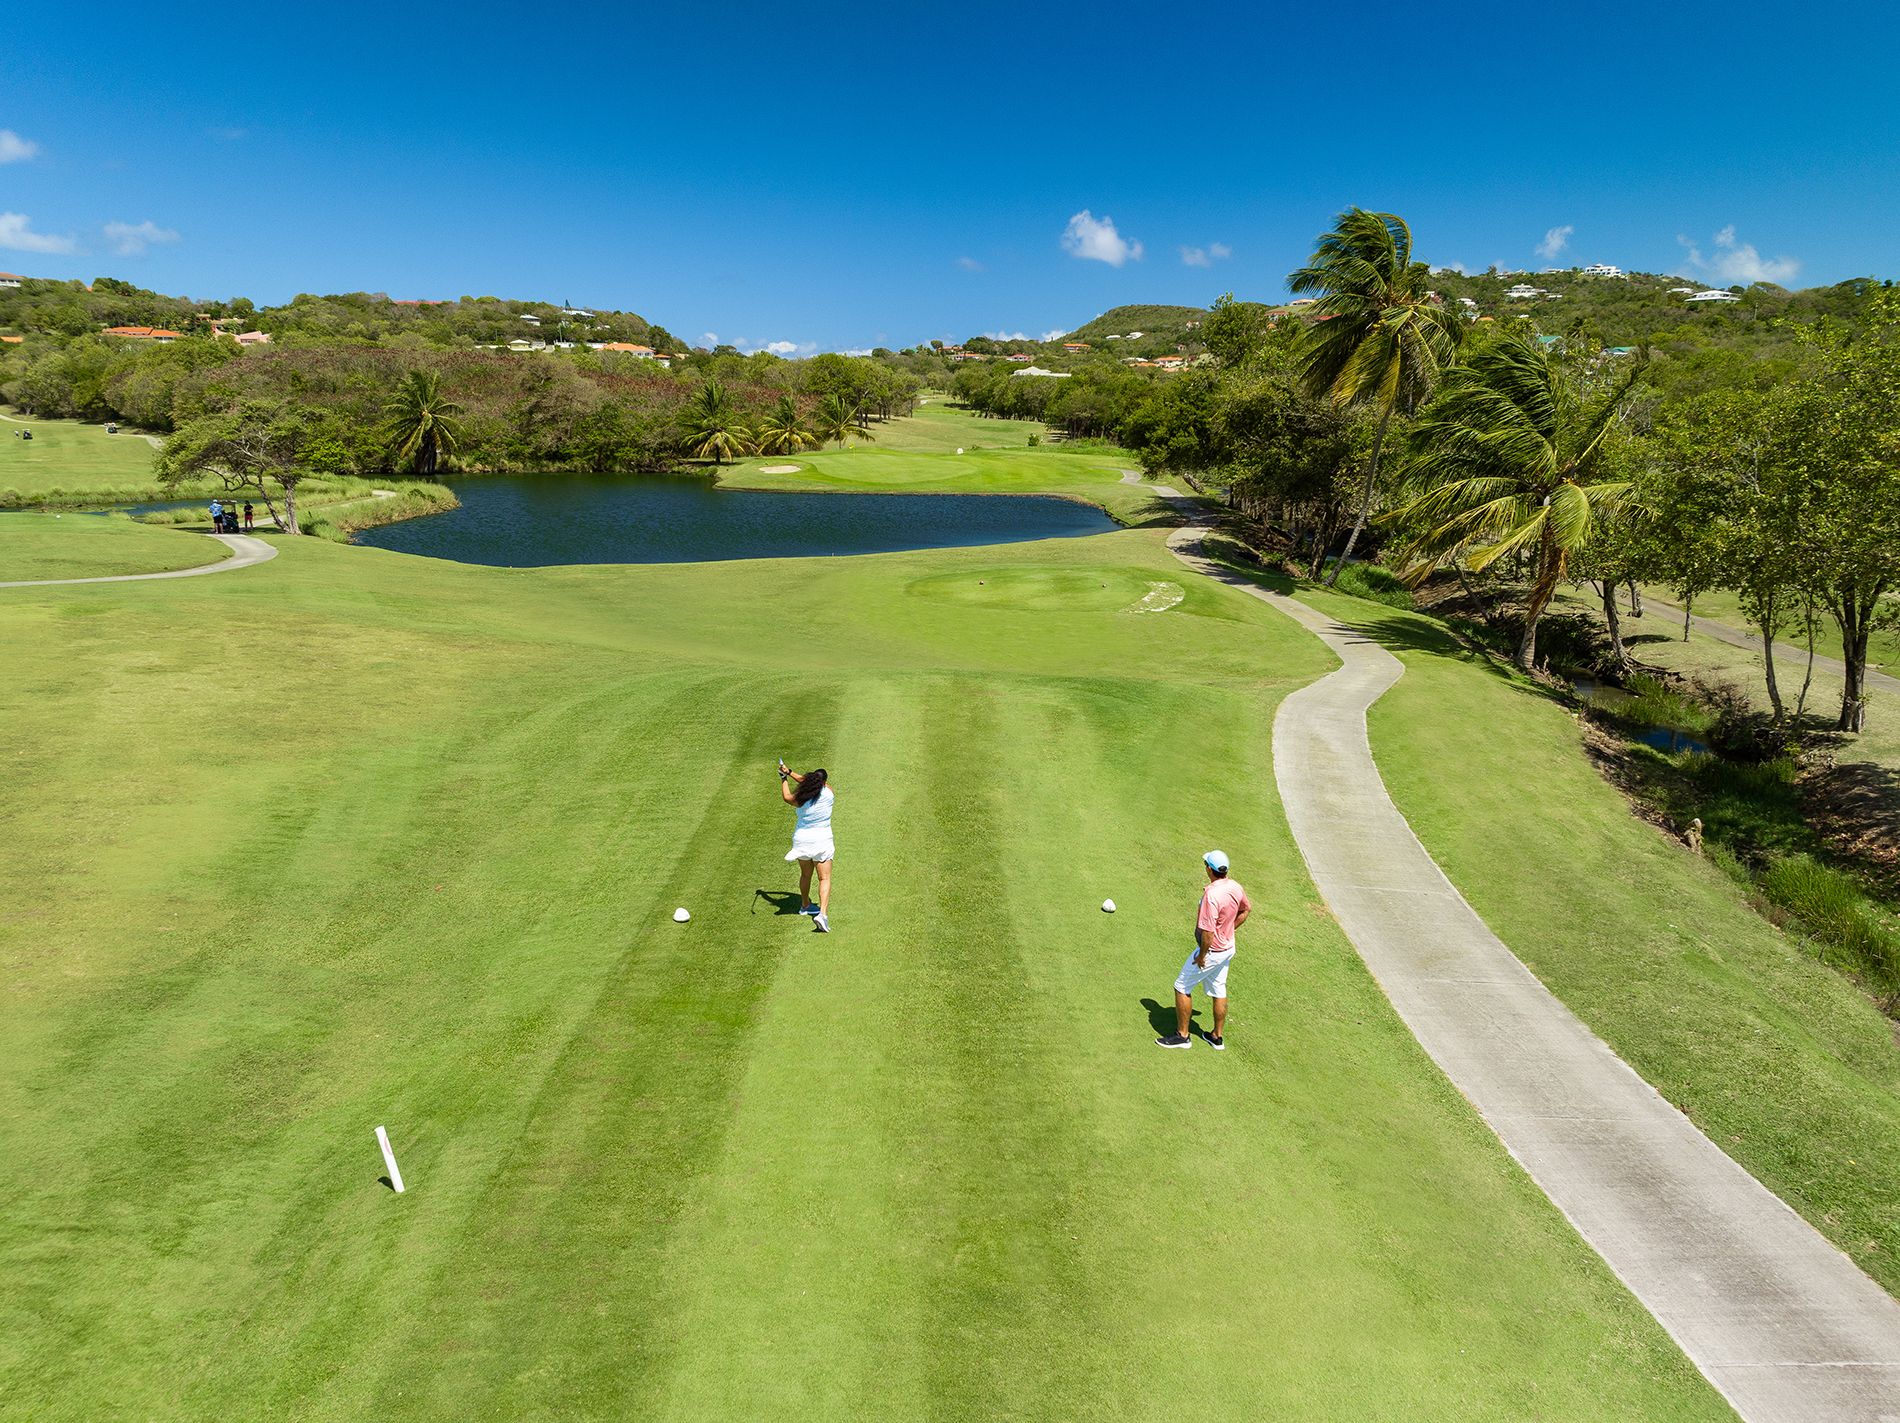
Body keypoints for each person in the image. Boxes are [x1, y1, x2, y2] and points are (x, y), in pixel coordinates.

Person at [1157, 850, 1251, 1051]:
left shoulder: (1211, 896)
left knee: (1181, 986)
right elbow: (1245, 910)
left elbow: (1207, 932)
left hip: (1212, 952)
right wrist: (1227, 930)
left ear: (1209, 869)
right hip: (1227, 949)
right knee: (1219, 989)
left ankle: (1183, 1036)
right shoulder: (1235, 886)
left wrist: (1202, 955)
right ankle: (1216, 1037)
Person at [779, 762, 835, 932]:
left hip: (802, 840)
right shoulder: (829, 793)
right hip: (822, 841)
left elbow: (787, 797)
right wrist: (790, 772)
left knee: (805, 874)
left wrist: (784, 777)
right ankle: (822, 915)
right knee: (824, 878)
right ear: (824, 782)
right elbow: (811, 782)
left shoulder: (801, 799)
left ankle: (805, 905)